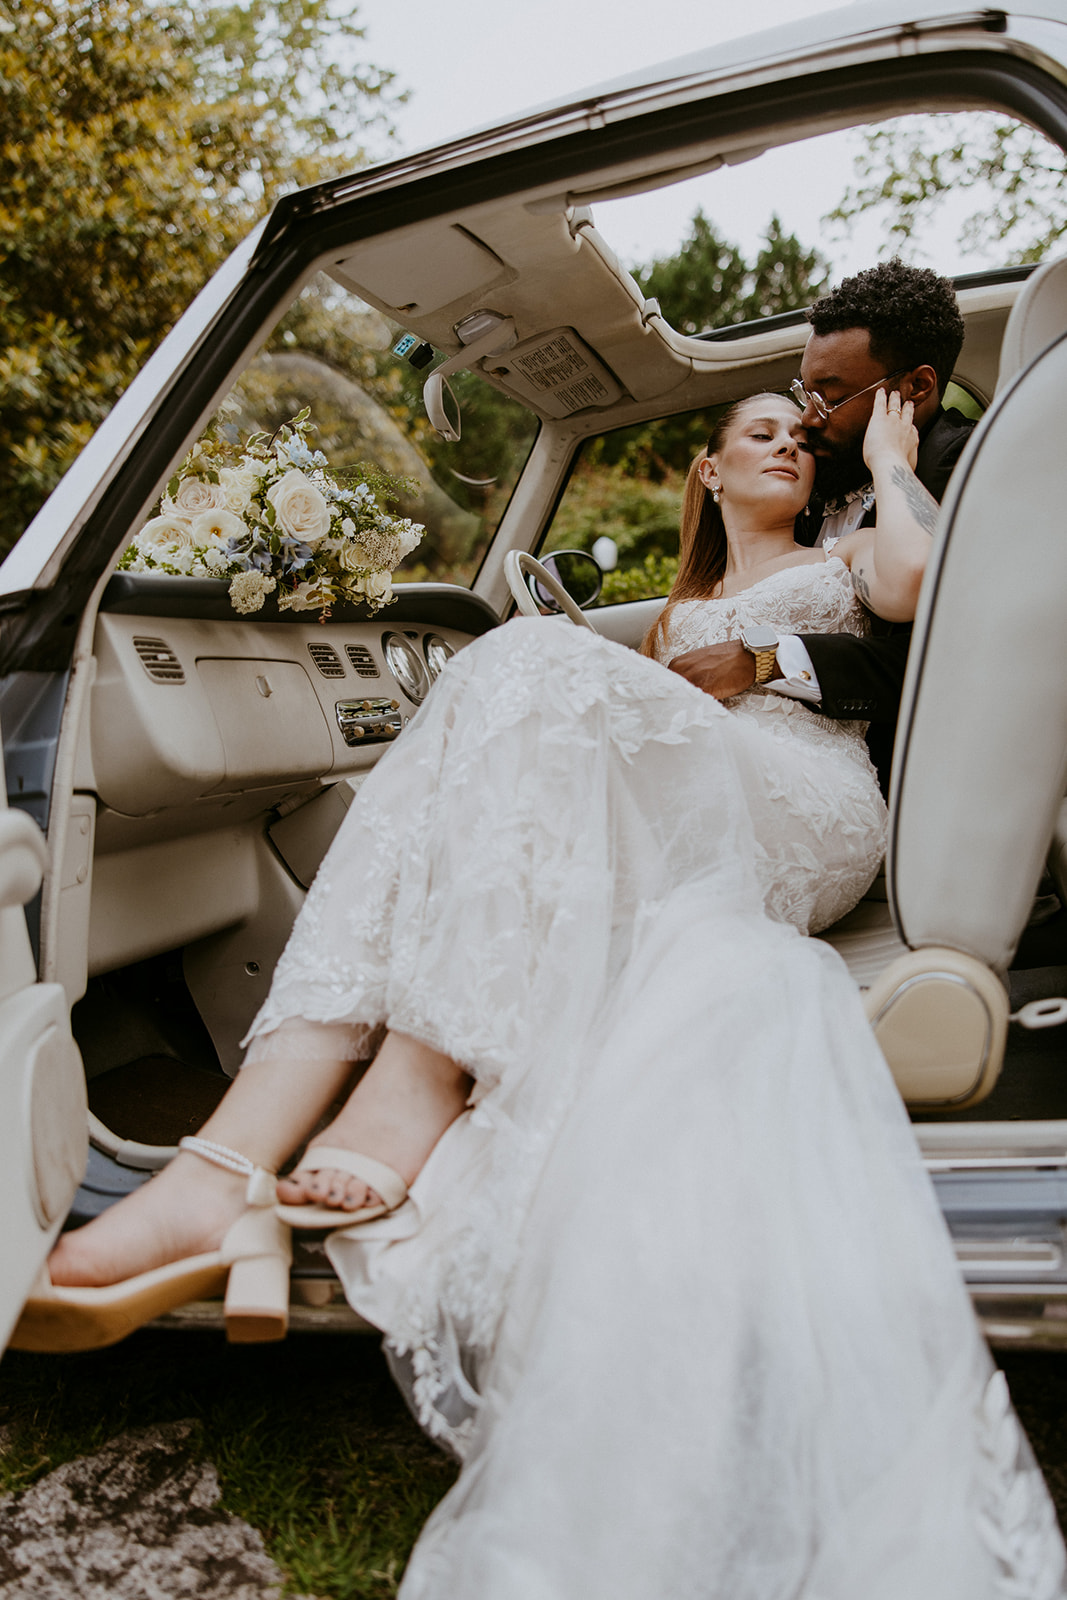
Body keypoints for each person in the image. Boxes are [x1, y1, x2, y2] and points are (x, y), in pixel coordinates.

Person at [18, 392, 1065, 1597]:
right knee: (492, 700)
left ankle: (392, 1090)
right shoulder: (668, 607)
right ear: (706, 470)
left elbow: (916, 581)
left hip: (800, 799)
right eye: (757, 428)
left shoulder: (844, 552)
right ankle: (233, 1153)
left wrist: (883, 460)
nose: (787, 440)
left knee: (514, 662)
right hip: (690, 789)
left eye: (801, 432)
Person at [672, 260, 976, 793]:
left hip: (903, 776)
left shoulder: (968, 466)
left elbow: (952, 656)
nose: (808, 422)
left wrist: (762, 658)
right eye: (803, 391)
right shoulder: (813, 477)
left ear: (916, 386)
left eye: (831, 397)